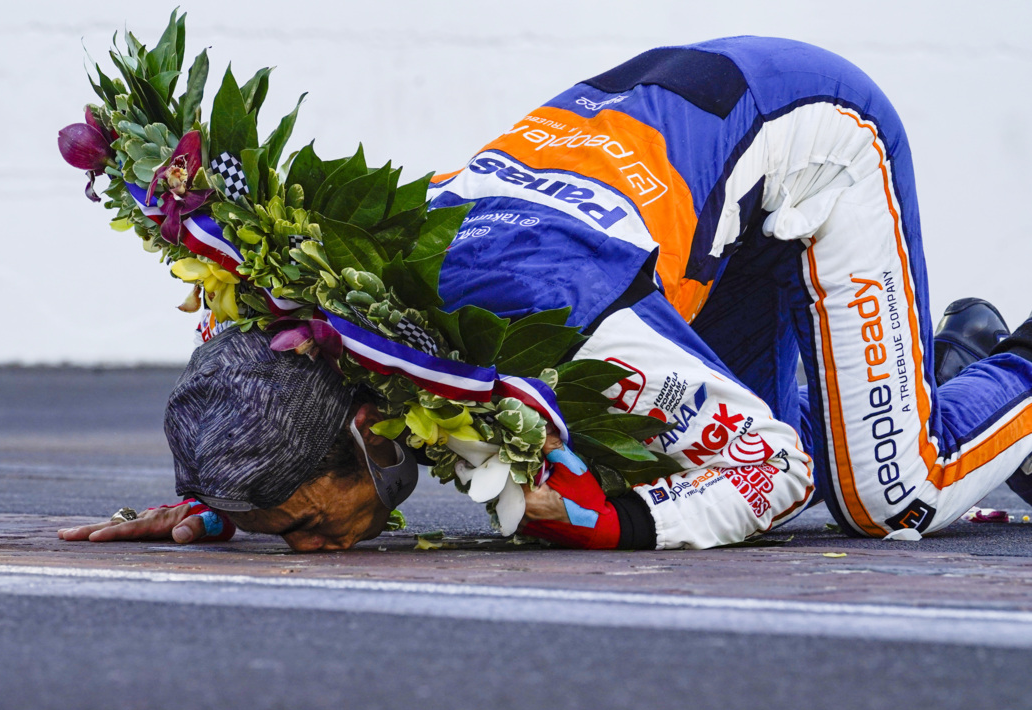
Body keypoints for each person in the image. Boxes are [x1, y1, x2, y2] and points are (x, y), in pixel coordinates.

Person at [60, 36, 1032, 551]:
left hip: (812, 142)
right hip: (667, 154)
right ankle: (942, 365)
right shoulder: (342, 334)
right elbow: (277, 386)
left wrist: (610, 526)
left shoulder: (556, 334)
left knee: (890, 495)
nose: (312, 550)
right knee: (671, 442)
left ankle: (1003, 369)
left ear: (366, 418)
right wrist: (224, 498)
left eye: (307, 525)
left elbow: (769, 474)